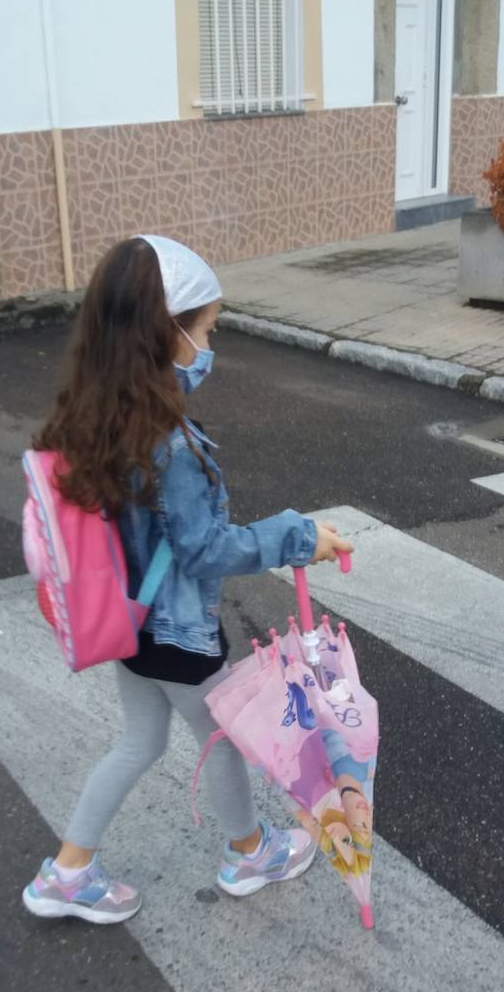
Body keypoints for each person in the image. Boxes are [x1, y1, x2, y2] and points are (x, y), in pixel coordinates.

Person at [22, 235, 353, 925]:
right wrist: (298, 536)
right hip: (174, 632)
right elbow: (203, 549)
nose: (209, 347)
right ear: (164, 336)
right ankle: (249, 851)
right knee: (221, 735)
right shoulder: (166, 442)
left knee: (139, 742)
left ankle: (68, 871)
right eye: (205, 332)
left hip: (127, 623)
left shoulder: (92, 415)